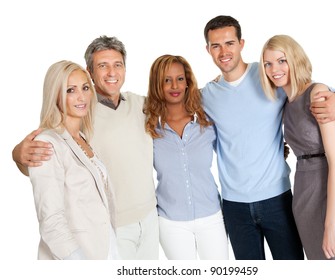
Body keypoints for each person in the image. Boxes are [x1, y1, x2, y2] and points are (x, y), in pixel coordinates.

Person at [201, 15, 335, 260]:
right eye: (215, 45)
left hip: (277, 199)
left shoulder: (269, 76)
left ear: (241, 43)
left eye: (229, 43)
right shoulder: (206, 95)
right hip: (234, 205)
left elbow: (312, 90)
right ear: (207, 49)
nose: (223, 51)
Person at [12, 36, 158, 260]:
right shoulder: (81, 113)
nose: (111, 72)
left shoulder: (139, 104)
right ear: (90, 71)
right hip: (112, 228)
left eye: (117, 65)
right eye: (102, 66)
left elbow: (176, 100)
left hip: (147, 218)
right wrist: (19, 155)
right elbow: (46, 164)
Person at [259, 34, 335, 260]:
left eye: (282, 60)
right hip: (304, 190)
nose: (274, 69)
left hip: (334, 186)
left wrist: (331, 225)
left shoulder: (317, 93)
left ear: (295, 59)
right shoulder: (285, 105)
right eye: (268, 63)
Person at [29, 60, 119, 259]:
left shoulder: (82, 138)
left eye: (85, 88)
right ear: (56, 95)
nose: (81, 96)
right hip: (76, 258)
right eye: (70, 90)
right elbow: (51, 220)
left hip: (105, 249)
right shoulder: (48, 143)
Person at [143, 54, 228, 260]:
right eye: (167, 80)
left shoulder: (206, 121)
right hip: (171, 221)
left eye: (180, 79)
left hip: (211, 216)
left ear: (188, 82)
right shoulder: (148, 126)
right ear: (157, 84)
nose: (175, 86)